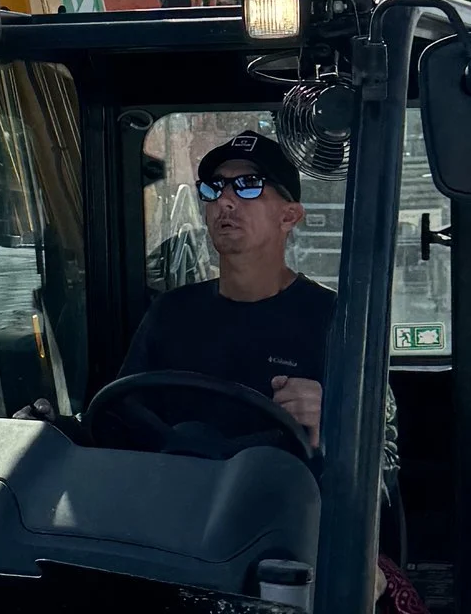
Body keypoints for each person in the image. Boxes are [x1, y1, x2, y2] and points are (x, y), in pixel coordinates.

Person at [123, 131, 329, 443]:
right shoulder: (171, 313)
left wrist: (333, 421)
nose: (224, 201)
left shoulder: (333, 319)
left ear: (289, 216)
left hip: (282, 489)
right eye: (214, 188)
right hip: (172, 485)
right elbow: (121, 419)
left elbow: (378, 450)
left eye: (248, 185)